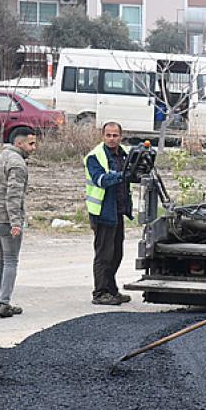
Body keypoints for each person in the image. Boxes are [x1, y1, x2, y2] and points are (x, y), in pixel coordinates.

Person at [0, 128, 37, 318]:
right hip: (7, 219)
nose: (34, 147)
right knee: (10, 261)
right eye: (31, 143)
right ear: (19, 143)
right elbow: (13, 196)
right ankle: (3, 301)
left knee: (0, 260)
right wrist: (16, 222)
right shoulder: (17, 164)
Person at [84, 122, 134, 306]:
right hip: (102, 213)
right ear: (103, 136)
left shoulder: (124, 154)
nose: (112, 139)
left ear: (121, 136)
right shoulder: (95, 157)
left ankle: (111, 289)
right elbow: (101, 180)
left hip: (117, 211)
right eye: (108, 135)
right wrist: (122, 175)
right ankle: (100, 292)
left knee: (116, 254)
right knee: (104, 255)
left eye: (115, 135)